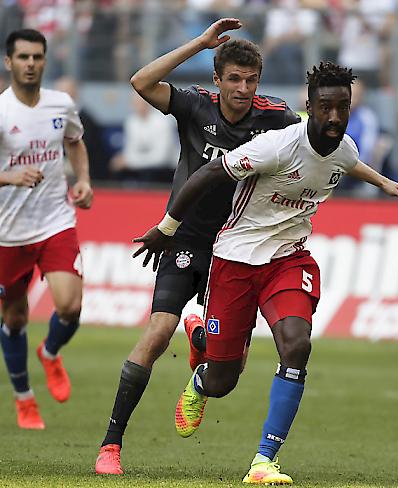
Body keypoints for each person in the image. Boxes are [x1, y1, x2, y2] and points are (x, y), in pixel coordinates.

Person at [132, 61, 398, 485]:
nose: (336, 117)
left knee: (296, 344)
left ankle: (264, 461)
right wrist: (167, 228)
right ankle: (200, 371)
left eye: (343, 108)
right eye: (326, 108)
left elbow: (347, 162)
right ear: (309, 107)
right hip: (235, 260)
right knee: (223, 380)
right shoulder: (275, 145)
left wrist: (386, 184)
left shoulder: (346, 148)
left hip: (288, 259)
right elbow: (211, 172)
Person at [94, 18, 302, 475]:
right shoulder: (194, 106)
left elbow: (314, 144)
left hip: (238, 247)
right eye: (234, 78)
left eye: (251, 80)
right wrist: (203, 43)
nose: (243, 88)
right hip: (183, 236)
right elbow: (140, 81)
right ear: (217, 78)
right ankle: (111, 445)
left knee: (234, 367)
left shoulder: (276, 117)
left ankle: (202, 356)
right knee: (156, 333)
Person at [0, 29, 93, 430]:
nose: (31, 64)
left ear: (45, 60)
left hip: (55, 219)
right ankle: (24, 399)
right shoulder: (1, 112)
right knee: (16, 318)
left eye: (37, 57)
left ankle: (51, 352)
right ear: (9, 62)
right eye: (23, 57)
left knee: (70, 305)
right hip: (9, 231)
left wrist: (84, 179)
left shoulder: (61, 104)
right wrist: (9, 176)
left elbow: (75, 141)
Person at [109, 92, 178, 184]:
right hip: (141, 166)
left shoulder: (163, 122)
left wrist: (130, 161)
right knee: (116, 168)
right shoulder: (131, 122)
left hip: (167, 169)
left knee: (149, 173)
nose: (138, 106)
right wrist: (128, 160)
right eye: (135, 103)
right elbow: (130, 151)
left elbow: (161, 158)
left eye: (142, 102)